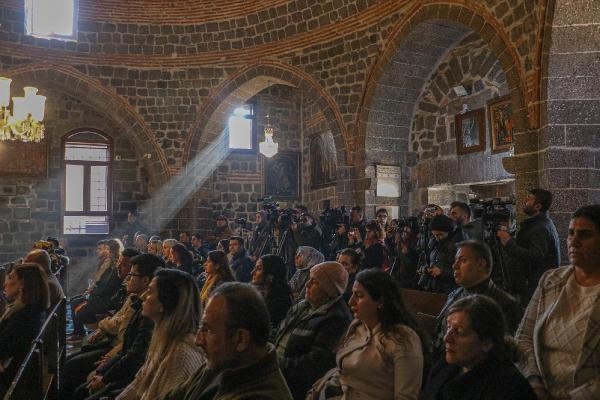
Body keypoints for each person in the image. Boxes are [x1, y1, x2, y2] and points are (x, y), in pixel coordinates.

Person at [516, 204, 600, 399]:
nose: (574, 241)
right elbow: (523, 337)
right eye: (571, 233)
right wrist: (535, 385)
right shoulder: (552, 280)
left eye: (585, 235)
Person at [159, 282, 292, 400]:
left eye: (207, 330)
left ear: (240, 339)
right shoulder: (221, 363)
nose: (198, 341)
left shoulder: (262, 394)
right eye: (201, 327)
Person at [309, 269, 426, 400]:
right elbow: (343, 370)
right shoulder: (357, 326)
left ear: (380, 301)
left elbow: (405, 397)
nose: (350, 302)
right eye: (352, 294)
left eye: (359, 296)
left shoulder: (403, 338)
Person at [72, 253, 162, 400]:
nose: (127, 277)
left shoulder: (147, 311)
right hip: (118, 352)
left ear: (146, 281)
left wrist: (107, 368)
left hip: (122, 360)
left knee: (76, 372)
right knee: (77, 359)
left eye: (132, 274)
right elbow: (128, 341)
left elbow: (133, 351)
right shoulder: (136, 299)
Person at [420, 295, 536, 400]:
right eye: (448, 327)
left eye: (459, 331)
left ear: (486, 343)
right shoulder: (444, 366)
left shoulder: (509, 389)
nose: (447, 337)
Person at [116, 269, 205, 400]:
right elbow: (139, 381)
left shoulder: (181, 356)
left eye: (150, 291)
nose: (144, 296)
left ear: (164, 303)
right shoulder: (164, 337)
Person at [274, 261, 352, 400]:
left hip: (291, 383)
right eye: (309, 279)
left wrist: (275, 363)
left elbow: (314, 365)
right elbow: (281, 332)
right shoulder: (303, 306)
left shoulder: (336, 319)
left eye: (314, 282)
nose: (307, 284)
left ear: (328, 290)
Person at [432, 240, 521, 359]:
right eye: (455, 260)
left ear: (481, 264)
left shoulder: (505, 303)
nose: (454, 266)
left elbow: (503, 352)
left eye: (462, 260)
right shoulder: (455, 293)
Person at [496, 188, 560, 305]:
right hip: (531, 284)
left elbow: (536, 256)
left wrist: (509, 243)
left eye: (529, 199)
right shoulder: (539, 224)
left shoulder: (540, 227)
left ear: (537, 207)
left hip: (534, 286)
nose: (525, 201)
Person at [0, 263, 48, 396]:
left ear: (22, 285)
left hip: (10, 375)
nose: (5, 284)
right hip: (17, 368)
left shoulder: (24, 315)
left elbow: (3, 347)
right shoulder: (32, 307)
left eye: (10, 279)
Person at [70, 238, 125, 342]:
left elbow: (110, 287)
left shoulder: (116, 266)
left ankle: (85, 331)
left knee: (80, 310)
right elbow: (102, 282)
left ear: (113, 251)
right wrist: (93, 290)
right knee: (74, 303)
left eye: (108, 249)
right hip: (101, 295)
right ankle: (79, 332)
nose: (106, 252)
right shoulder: (109, 264)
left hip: (107, 299)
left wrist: (94, 292)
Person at [251, 254, 292, 339]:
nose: (252, 272)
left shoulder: (279, 302)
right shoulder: (256, 293)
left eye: (259, 269)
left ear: (271, 275)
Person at [418, 215, 457, 294]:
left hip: (449, 291)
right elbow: (429, 261)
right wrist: (426, 269)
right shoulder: (433, 243)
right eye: (434, 235)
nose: (437, 238)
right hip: (432, 289)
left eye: (440, 234)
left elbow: (463, 273)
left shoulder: (457, 247)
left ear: (449, 232)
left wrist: (442, 272)